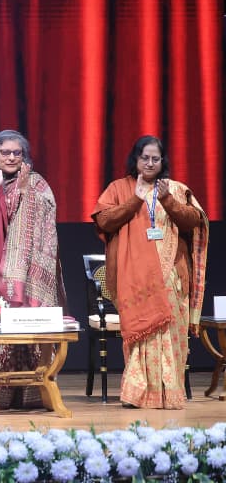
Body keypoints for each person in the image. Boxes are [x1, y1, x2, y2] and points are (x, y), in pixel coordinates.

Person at [91, 135, 208, 409]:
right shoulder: (119, 188)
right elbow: (104, 221)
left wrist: (167, 199)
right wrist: (135, 199)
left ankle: (170, 394)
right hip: (135, 277)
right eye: (145, 158)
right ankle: (138, 393)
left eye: (156, 158)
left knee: (171, 334)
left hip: (172, 275)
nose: (150, 163)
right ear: (136, 159)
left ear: (162, 161)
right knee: (142, 333)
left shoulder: (175, 189)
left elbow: (193, 221)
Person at [0, 129, 65, 409]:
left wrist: (25, 192)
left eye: (17, 153)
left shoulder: (36, 184)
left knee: (26, 326)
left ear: (24, 156)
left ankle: (31, 390)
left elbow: (48, 222)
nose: (11, 157)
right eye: (4, 152)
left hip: (27, 269)